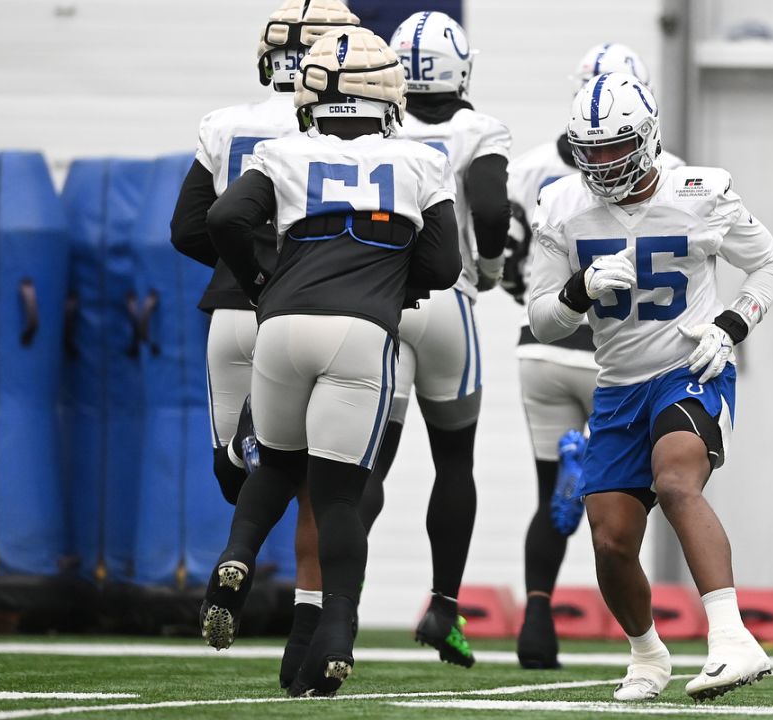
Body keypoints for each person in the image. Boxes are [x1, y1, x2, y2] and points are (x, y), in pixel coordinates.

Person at [198, 26, 461, 698]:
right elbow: (446, 264)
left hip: (280, 327)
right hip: (361, 332)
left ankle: (235, 558)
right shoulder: (419, 160)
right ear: (389, 97)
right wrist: (397, 279)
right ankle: (338, 634)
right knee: (338, 494)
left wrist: (262, 283)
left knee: (275, 465)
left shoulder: (281, 150)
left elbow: (224, 216)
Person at [525, 72, 773, 702]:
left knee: (675, 481)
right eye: (591, 152)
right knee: (611, 540)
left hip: (690, 369)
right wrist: (577, 290)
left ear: (646, 139)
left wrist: (730, 326)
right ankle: (648, 654)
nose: (603, 164)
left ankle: (731, 638)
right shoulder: (563, 205)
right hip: (616, 387)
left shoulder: (700, 191)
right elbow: (541, 317)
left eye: (616, 148)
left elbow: (770, 263)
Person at [168, 0, 358, 692]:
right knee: (313, 479)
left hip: (231, 309)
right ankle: (304, 631)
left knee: (237, 471)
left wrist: (242, 274)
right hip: (307, 304)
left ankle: (239, 555)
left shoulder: (225, 124)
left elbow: (190, 227)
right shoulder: (340, 131)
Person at [502, 42, 687, 670]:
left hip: (543, 349)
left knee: (546, 492)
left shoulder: (530, 169)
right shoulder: (668, 172)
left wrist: (541, 295)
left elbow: (507, 264)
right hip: (618, 355)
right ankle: (658, 627)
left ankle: (535, 620)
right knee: (633, 496)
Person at [353, 10, 512, 669]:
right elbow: (494, 210)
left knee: (366, 464)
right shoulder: (478, 128)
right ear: (462, 71)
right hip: (447, 299)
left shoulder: (372, 122)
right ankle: (444, 608)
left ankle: (338, 609)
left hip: (381, 298)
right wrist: (495, 270)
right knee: (454, 461)